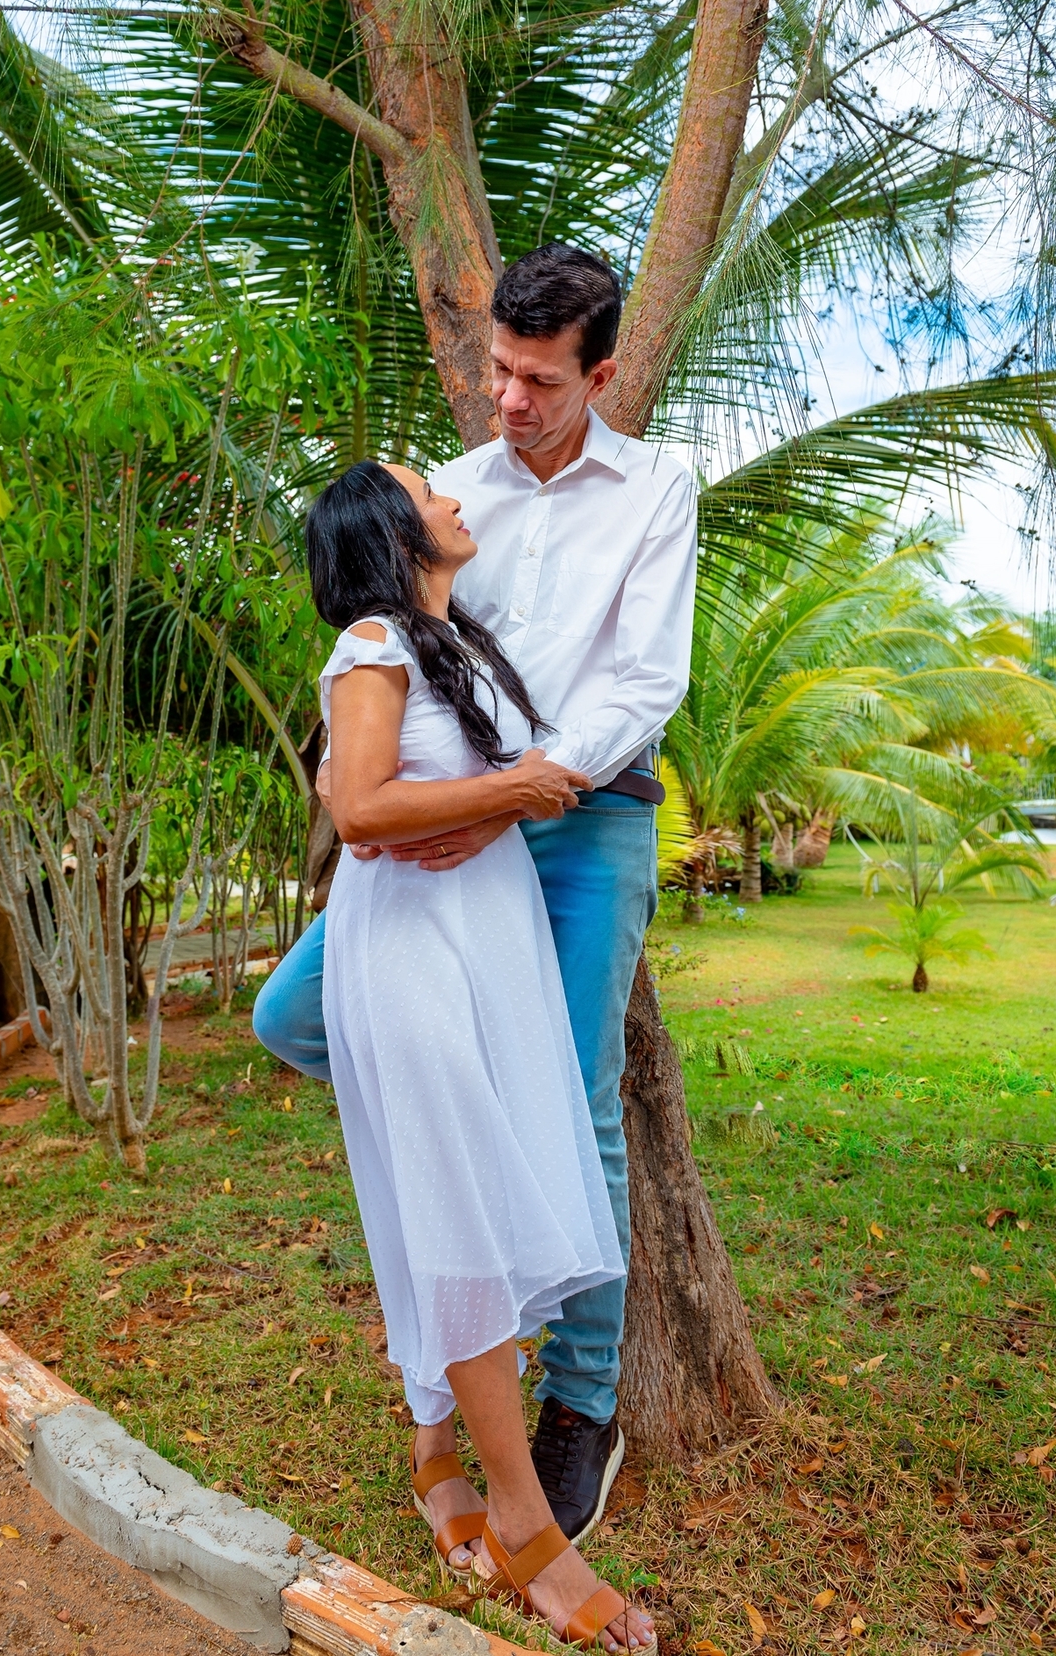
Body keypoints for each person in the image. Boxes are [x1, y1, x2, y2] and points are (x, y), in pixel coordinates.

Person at [255, 242, 697, 1545]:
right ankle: (461, 1182)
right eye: (499, 369)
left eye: (539, 379)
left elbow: (643, 681)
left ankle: (584, 1398)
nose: (507, 398)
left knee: (576, 1096)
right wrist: (402, 785)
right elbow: (389, 646)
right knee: (293, 1014)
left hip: (586, 817)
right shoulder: (443, 491)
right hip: (432, 848)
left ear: (599, 373)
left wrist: (524, 786)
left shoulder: (660, 490)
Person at [304, 460, 653, 1652]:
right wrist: (509, 785)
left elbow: (420, 779)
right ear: (396, 532)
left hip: (474, 942)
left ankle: (434, 1451)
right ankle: (524, 1520)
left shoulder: (450, 640)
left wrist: (492, 797)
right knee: (456, 1211)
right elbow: (355, 807)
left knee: (448, 1201)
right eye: (427, 491)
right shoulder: (370, 641)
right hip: (413, 954)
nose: (455, 501)